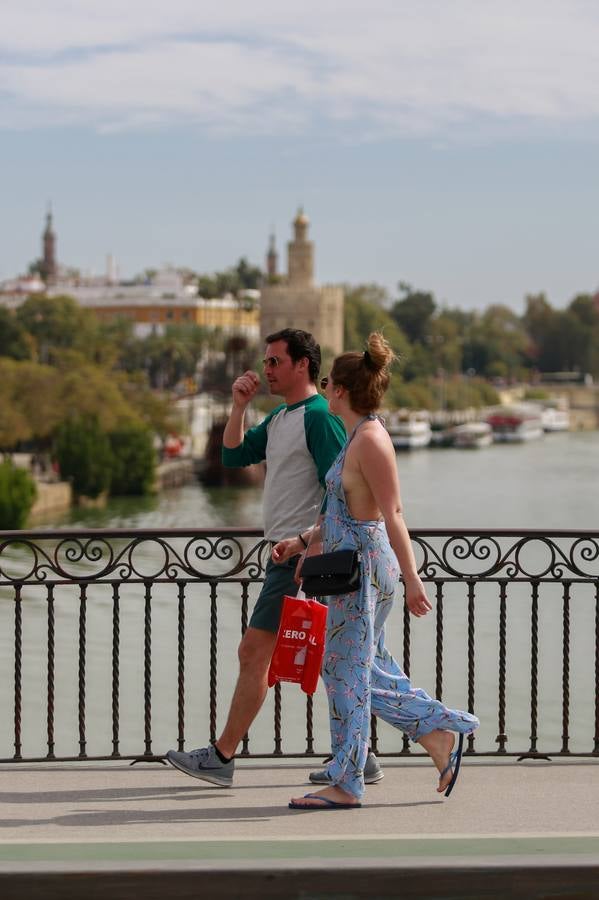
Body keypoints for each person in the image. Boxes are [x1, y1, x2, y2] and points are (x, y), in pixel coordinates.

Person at [272, 332, 480, 810]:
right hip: (351, 568)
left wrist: (412, 580)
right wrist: (303, 542)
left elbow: (393, 515)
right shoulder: (355, 437)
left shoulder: (371, 440)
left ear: (340, 390)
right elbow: (341, 512)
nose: (323, 389)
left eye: (326, 382)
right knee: (368, 667)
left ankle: (350, 780)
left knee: (343, 671)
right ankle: (437, 738)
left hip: (365, 573)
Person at [166, 328, 353, 787]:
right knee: (342, 657)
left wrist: (308, 545)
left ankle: (222, 756)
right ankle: (360, 754)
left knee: (255, 653)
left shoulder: (317, 418)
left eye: (275, 362)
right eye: (266, 362)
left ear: (302, 365)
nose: (266, 369)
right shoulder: (279, 419)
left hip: (302, 560)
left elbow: (343, 491)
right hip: (289, 556)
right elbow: (232, 456)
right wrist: (238, 407)